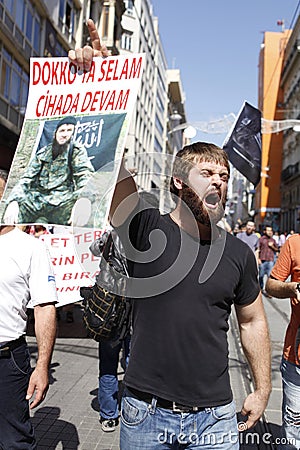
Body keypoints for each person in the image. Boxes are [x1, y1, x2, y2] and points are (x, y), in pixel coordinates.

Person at [69, 20, 272, 449]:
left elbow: (252, 320)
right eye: (207, 173)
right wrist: (102, 87)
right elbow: (115, 173)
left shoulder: (237, 253)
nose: (219, 181)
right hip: (144, 414)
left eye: (224, 175)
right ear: (179, 181)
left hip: (216, 420)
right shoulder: (145, 227)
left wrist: (261, 387)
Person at [0, 224, 58, 449]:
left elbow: (44, 307)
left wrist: (43, 365)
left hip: (7, 360)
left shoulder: (31, 247)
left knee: (14, 441)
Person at [3, 116, 94, 225]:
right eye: (62, 131)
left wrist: (83, 200)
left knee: (86, 215)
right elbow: (26, 179)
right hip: (37, 203)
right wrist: (14, 201)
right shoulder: (43, 153)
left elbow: (85, 175)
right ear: (55, 133)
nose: (64, 134)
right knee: (7, 212)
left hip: (62, 204)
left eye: (69, 130)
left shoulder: (76, 151)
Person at [89, 229, 131, 432]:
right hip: (132, 312)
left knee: (108, 364)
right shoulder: (145, 237)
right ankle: (133, 410)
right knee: (133, 364)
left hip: (109, 311)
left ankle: (108, 415)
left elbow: (93, 249)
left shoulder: (111, 235)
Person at [265, 235, 300, 450]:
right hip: (296, 359)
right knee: (293, 434)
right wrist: (291, 288)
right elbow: (271, 285)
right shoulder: (294, 243)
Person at [257, 225, 278, 295]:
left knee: (269, 276)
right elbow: (258, 249)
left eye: (271, 231)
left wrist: (272, 246)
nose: (270, 232)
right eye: (268, 230)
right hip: (262, 260)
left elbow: (277, 249)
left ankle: (268, 290)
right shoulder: (261, 239)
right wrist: (258, 259)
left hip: (270, 260)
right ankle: (260, 288)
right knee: (261, 276)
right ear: (265, 231)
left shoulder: (273, 240)